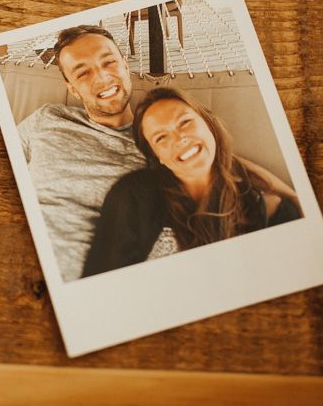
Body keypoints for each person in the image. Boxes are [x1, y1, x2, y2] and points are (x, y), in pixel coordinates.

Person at [83, 87, 301, 277]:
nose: (180, 138)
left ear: (208, 123)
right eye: (161, 137)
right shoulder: (133, 195)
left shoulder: (271, 211)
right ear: (156, 156)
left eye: (185, 122)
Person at [18, 25, 146, 282]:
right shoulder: (47, 119)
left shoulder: (157, 141)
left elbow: (217, 163)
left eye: (108, 62)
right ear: (72, 88)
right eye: (83, 72)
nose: (102, 78)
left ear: (125, 65)